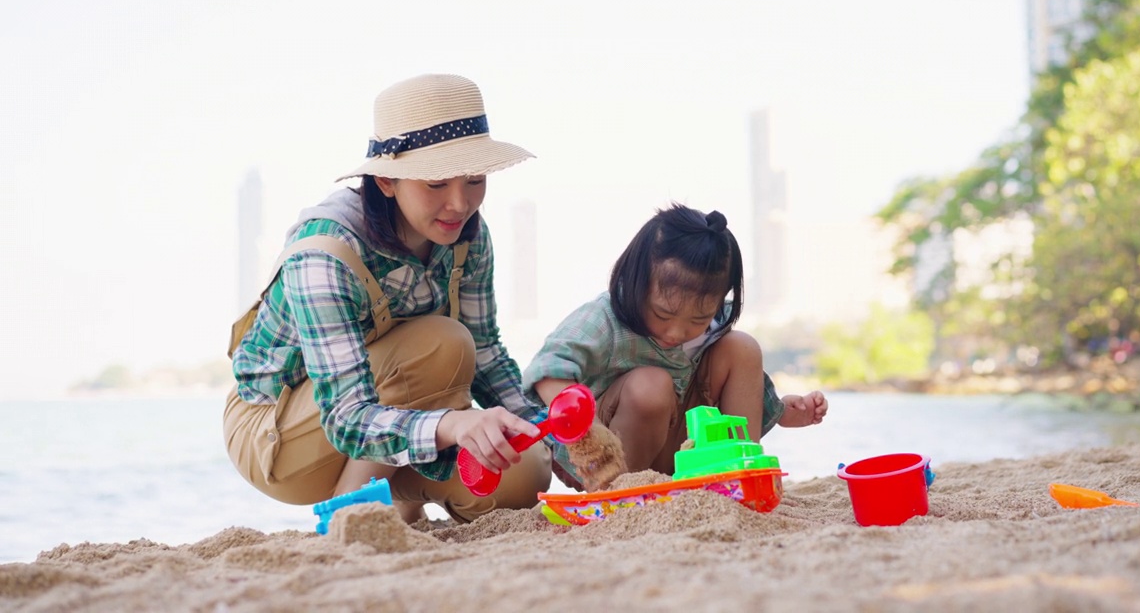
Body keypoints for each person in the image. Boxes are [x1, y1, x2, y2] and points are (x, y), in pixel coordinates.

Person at [224, 73, 551, 525]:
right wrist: (452, 425)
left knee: (525, 472)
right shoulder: (326, 252)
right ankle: (352, 518)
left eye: (475, 180)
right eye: (436, 184)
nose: (460, 203)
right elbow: (346, 415)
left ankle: (398, 498)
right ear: (385, 182)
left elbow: (488, 354)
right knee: (443, 343)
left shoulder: (467, 237)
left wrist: (559, 439)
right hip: (281, 434)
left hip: (395, 419)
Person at [522, 203, 828, 491]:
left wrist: (786, 412)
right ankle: (621, 489)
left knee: (741, 346)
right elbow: (547, 370)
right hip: (606, 451)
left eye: (699, 318)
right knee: (651, 385)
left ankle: (739, 474)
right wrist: (586, 431)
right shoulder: (604, 318)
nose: (677, 332)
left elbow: (740, 389)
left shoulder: (714, 325)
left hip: (679, 445)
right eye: (662, 314)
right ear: (636, 281)